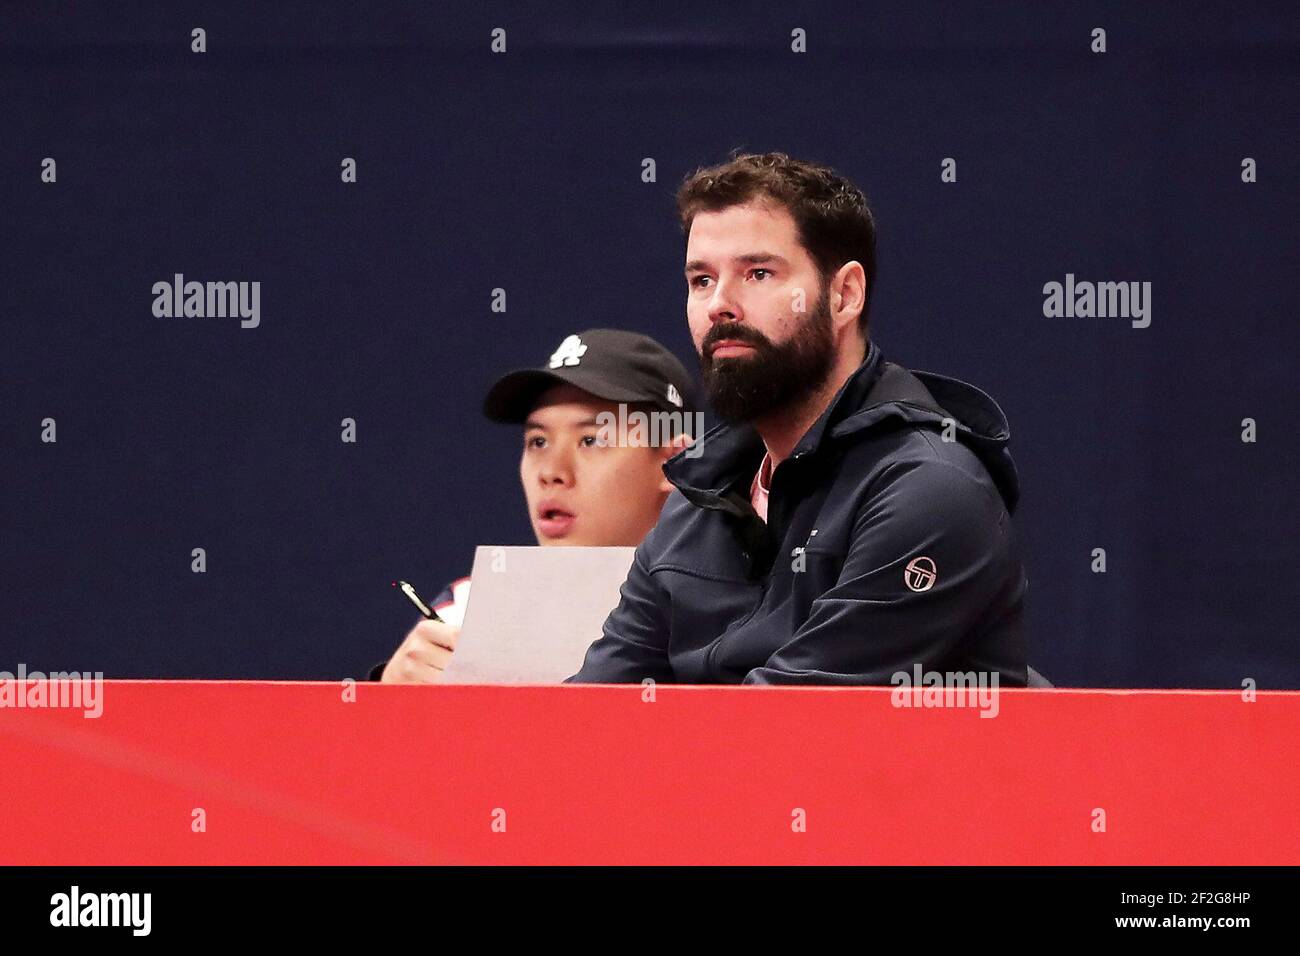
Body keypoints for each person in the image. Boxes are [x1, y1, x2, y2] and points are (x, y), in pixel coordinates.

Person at [567, 152, 1029, 685]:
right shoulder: (699, 497)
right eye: (700, 280)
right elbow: (591, 715)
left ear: (844, 295)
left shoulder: (931, 490)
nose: (720, 304)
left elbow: (789, 733)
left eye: (758, 273)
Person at [374, 329, 700, 683]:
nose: (552, 472)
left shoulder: (735, 610)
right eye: (538, 441)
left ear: (675, 461)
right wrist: (387, 696)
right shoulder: (466, 610)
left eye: (591, 440)